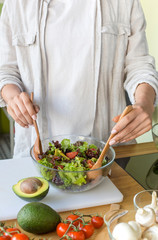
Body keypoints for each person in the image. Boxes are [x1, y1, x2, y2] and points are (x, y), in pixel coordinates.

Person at [0, 0, 158, 158]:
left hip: (107, 151)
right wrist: (13, 98)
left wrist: (145, 103)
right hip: (34, 152)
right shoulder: (16, 4)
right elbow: (6, 69)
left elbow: (139, 64)